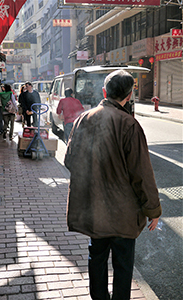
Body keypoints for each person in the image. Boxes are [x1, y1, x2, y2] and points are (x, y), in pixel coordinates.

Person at [64, 70, 162, 300]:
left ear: (104, 91)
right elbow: (142, 174)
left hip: (94, 209)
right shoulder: (129, 124)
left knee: (96, 258)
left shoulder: (83, 119)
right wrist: (153, 210)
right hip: (123, 213)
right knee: (123, 264)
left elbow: (70, 160)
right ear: (129, 96)